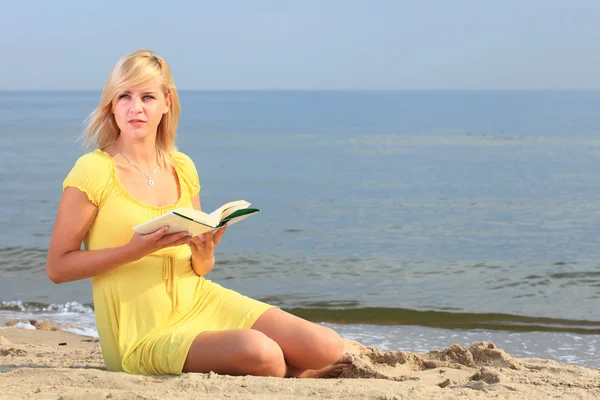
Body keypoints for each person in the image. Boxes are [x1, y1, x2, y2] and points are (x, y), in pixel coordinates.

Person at [46, 49, 352, 378]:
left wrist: (204, 253)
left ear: (167, 102)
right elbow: (57, 267)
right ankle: (288, 371)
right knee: (265, 355)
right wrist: (132, 251)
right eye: (124, 96)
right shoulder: (92, 170)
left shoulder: (182, 167)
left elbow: (201, 270)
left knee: (326, 346)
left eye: (147, 96)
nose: (136, 108)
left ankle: (284, 367)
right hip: (141, 333)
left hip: (198, 300)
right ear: (111, 103)